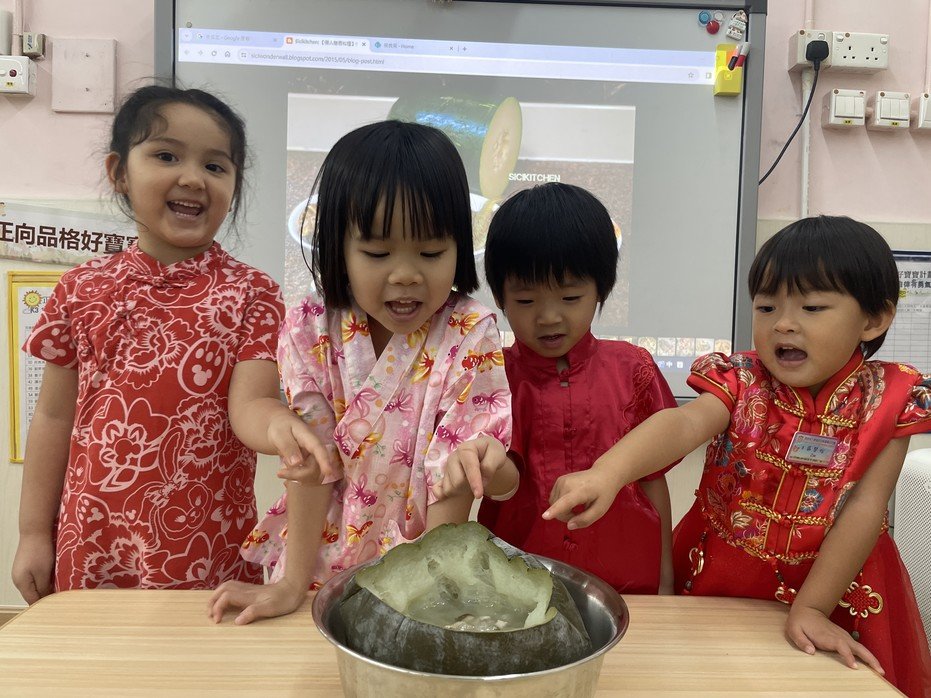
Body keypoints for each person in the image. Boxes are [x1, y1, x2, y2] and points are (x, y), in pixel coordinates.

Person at [544, 216, 931, 696]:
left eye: (812, 307)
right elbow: (684, 423)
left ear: (874, 319)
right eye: (766, 307)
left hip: (838, 583)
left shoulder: (893, 397)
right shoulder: (742, 379)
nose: (782, 323)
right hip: (722, 570)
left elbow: (866, 507)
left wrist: (813, 607)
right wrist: (608, 472)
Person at [207, 120, 518, 625]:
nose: (406, 274)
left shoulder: (470, 330)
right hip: (318, 565)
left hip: (422, 572)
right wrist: (290, 584)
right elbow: (311, 464)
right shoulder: (311, 325)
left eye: (431, 252)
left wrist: (431, 597)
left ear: (460, 247)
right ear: (338, 247)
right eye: (377, 253)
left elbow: (454, 479)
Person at [12, 86, 291, 600]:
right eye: (166, 156)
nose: (193, 178)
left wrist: (290, 432)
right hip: (91, 534)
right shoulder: (80, 288)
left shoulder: (255, 293)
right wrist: (32, 532)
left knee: (200, 650)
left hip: (206, 537)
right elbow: (52, 417)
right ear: (119, 172)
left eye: (216, 166)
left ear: (235, 186)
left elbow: (253, 405)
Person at [477, 182, 678, 594]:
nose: (549, 317)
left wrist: (666, 580)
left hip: (627, 581)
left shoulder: (634, 368)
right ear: (499, 297)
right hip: (517, 585)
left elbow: (653, 479)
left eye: (570, 297)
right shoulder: (492, 376)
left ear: (600, 289)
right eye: (527, 301)